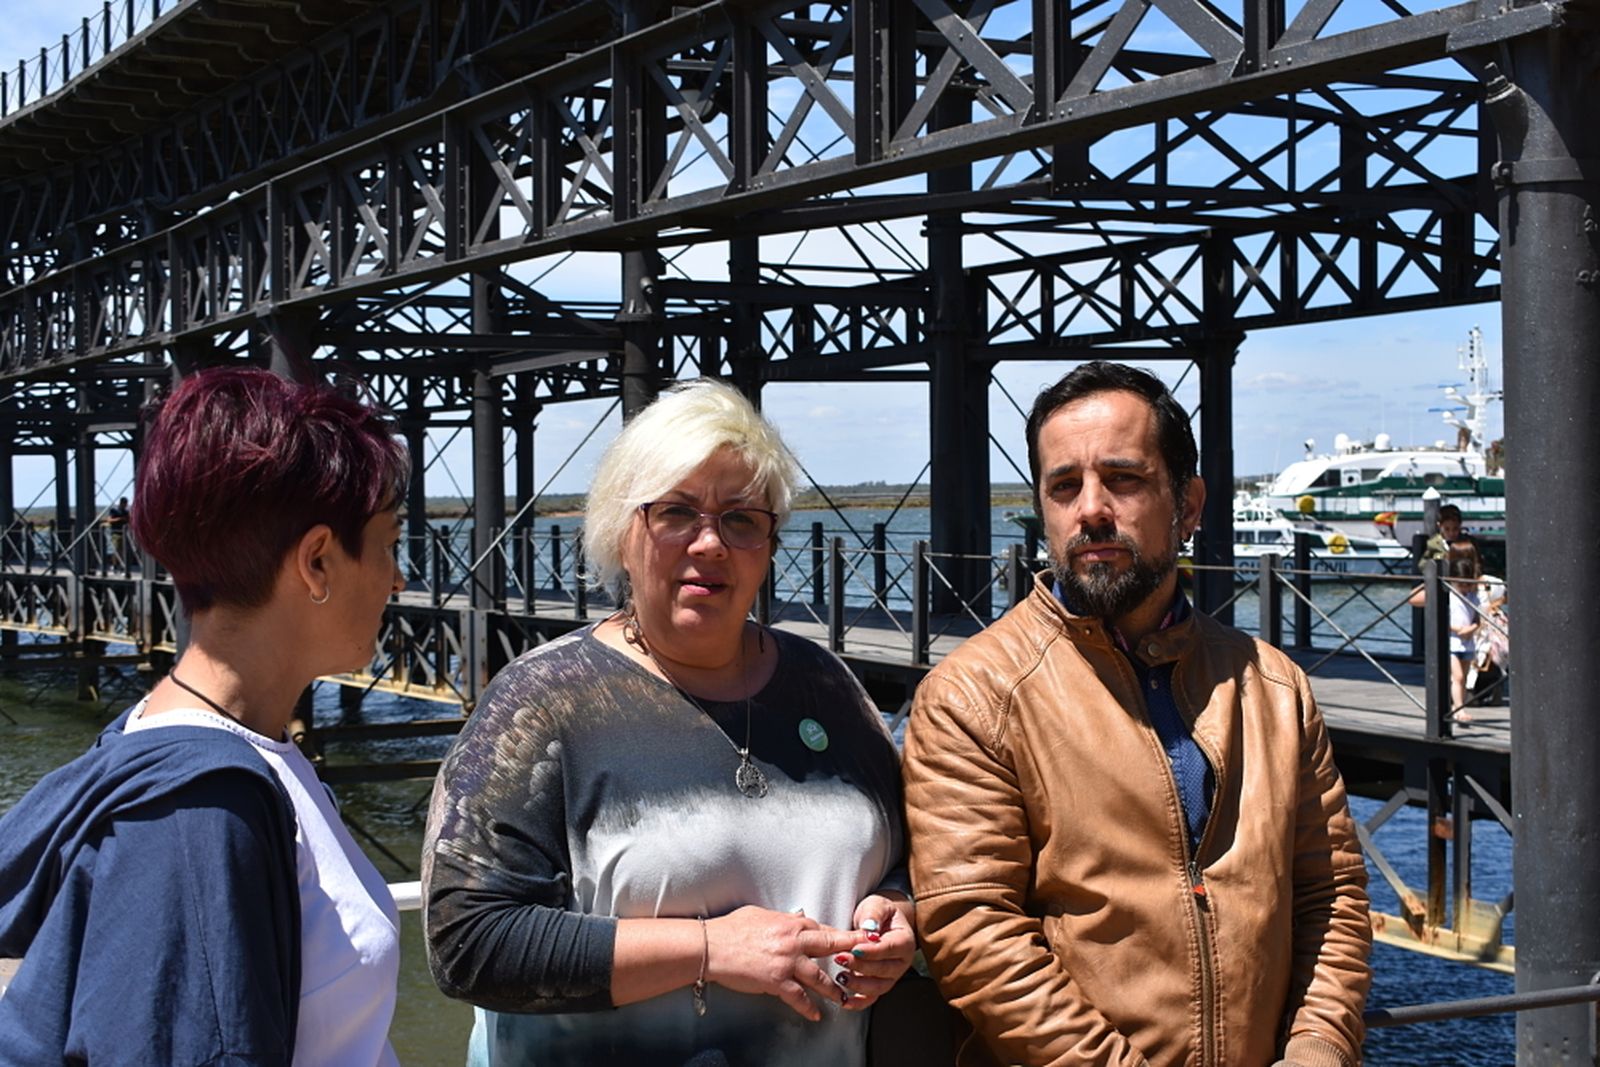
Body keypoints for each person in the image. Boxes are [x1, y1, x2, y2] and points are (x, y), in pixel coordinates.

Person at [423, 378, 914, 1067]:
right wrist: (711, 950)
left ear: (770, 544)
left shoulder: (827, 685)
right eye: (677, 512)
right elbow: (468, 942)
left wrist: (896, 913)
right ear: (623, 533)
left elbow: (902, 857)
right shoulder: (541, 699)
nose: (711, 543)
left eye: (743, 519)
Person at [902, 362, 1372, 1067]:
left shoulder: (1274, 688)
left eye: (1122, 478)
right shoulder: (973, 696)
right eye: (1064, 486)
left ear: (1187, 506)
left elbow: (1329, 895)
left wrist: (1317, 1047)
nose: (1090, 507)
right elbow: (976, 931)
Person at [0, 368, 409, 1066]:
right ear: (316, 561)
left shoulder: (200, 749)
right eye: (389, 542)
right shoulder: (201, 812)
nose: (399, 578)